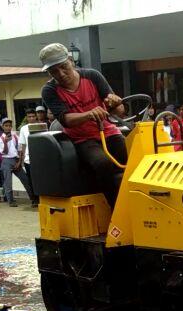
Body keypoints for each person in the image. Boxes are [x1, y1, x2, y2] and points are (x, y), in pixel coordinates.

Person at [39, 43, 127, 209]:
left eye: (63, 67)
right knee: (102, 163)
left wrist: (115, 102)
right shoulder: (49, 90)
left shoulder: (92, 76)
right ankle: (117, 211)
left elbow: (120, 111)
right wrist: (89, 114)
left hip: (108, 131)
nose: (61, 74)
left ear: (71, 61)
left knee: (134, 158)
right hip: (82, 140)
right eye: (53, 71)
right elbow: (66, 119)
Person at [0, 118, 30, 207]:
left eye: (9, 126)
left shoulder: (15, 136)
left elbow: (20, 149)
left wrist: (19, 162)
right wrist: (5, 142)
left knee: (25, 179)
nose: (8, 128)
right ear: (2, 127)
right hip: (6, 161)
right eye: (6, 126)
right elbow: (4, 152)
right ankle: (10, 200)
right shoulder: (0, 139)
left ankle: (33, 198)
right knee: (8, 182)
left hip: (16, 160)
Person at [17, 108, 40, 207]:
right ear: (26, 118)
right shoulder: (24, 128)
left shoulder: (42, 126)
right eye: (29, 117)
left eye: (33, 116)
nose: (31, 118)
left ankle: (42, 198)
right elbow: (22, 145)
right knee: (31, 180)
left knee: (40, 179)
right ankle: (34, 199)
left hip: (40, 158)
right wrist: (20, 160)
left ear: (36, 116)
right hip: (28, 159)